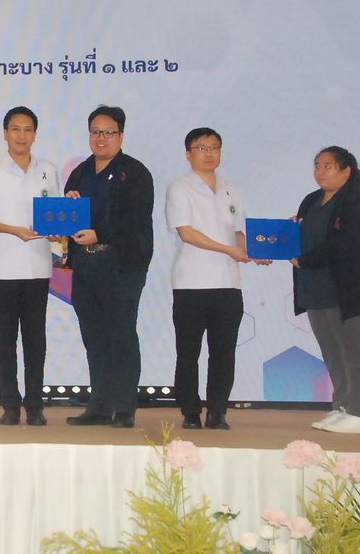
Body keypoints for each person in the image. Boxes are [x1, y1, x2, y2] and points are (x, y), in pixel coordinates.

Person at [165, 128, 265, 431]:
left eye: (214, 148)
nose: (209, 153)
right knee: (188, 352)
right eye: (201, 148)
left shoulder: (231, 188)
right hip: (191, 283)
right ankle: (190, 411)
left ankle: (218, 411)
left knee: (224, 352)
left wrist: (254, 251)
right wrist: (229, 250)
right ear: (188, 154)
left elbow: (238, 232)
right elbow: (187, 233)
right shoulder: (179, 188)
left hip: (228, 283)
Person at [0, 106, 59, 426]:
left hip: (38, 266)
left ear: (35, 134)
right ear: (5, 133)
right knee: (6, 340)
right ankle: (9, 404)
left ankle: (35, 405)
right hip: (3, 268)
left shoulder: (48, 170)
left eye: (28, 129)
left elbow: (55, 217)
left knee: (36, 340)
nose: (22, 135)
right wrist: (11, 229)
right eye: (16, 129)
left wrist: (62, 224)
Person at [64, 105, 153, 429]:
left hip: (122, 266)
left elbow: (135, 219)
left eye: (108, 132)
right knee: (94, 337)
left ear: (121, 136)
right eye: (95, 132)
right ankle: (99, 406)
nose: (101, 138)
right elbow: (69, 218)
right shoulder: (80, 172)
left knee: (121, 334)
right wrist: (67, 207)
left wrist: (99, 233)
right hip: (85, 265)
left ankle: (125, 407)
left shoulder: (135, 173)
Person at [293, 146, 360, 434]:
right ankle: (342, 407)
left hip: (352, 289)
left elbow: (347, 243)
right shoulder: (312, 200)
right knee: (333, 352)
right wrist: (286, 234)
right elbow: (302, 235)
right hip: (317, 288)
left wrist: (306, 259)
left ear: (347, 170)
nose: (320, 172)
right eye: (317, 165)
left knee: (355, 351)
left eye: (328, 166)